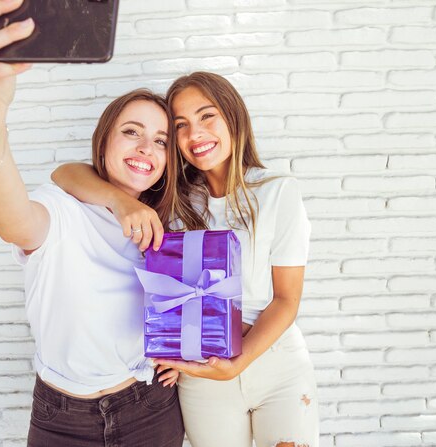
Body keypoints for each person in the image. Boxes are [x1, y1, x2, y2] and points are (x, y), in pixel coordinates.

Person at [0, 1, 184, 445]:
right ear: (104, 141)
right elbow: (16, 221)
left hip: (150, 405)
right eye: (131, 131)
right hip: (63, 417)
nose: (147, 146)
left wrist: (185, 352)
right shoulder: (63, 208)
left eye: (161, 140)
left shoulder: (167, 227)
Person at [52, 72, 320, 447]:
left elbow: (287, 300)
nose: (195, 134)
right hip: (199, 374)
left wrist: (238, 365)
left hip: (277, 365)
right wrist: (122, 201)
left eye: (207, 116)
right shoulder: (169, 200)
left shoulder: (278, 192)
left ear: (233, 117)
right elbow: (65, 173)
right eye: (181, 125)